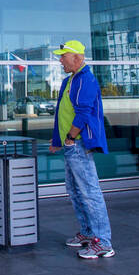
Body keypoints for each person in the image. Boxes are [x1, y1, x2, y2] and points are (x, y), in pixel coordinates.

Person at [48, 40, 113, 259]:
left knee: (90, 192)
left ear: (77, 58)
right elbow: (62, 114)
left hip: (78, 144)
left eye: (63, 56)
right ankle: (87, 233)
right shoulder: (69, 81)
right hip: (70, 145)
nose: (60, 60)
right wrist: (58, 140)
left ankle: (103, 242)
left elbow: (83, 113)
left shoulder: (86, 80)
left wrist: (70, 138)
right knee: (75, 190)